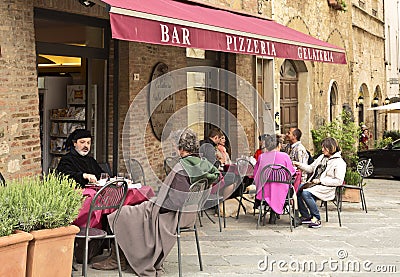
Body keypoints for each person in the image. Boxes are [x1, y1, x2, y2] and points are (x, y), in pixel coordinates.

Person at [92, 129, 220, 275]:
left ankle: (117, 259)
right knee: (132, 209)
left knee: (120, 214)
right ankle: (122, 255)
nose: (172, 148)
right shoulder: (202, 164)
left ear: (181, 148)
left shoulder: (183, 168)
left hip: (171, 215)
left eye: (173, 145)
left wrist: (155, 205)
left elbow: (173, 202)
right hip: (188, 214)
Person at [293, 137, 346, 229]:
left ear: (331, 148)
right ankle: (306, 215)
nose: (322, 150)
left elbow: (339, 181)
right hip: (314, 184)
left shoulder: (339, 162)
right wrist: (299, 164)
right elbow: (311, 168)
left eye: (324, 148)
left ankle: (316, 218)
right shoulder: (322, 157)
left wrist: (321, 181)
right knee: (296, 190)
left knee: (306, 193)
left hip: (327, 187)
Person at [253, 134, 299, 225]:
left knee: (271, 186)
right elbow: (291, 172)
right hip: (283, 192)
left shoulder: (262, 156)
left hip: (265, 191)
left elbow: (256, 174)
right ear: (278, 145)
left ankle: (272, 214)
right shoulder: (285, 156)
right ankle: (296, 216)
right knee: (294, 195)